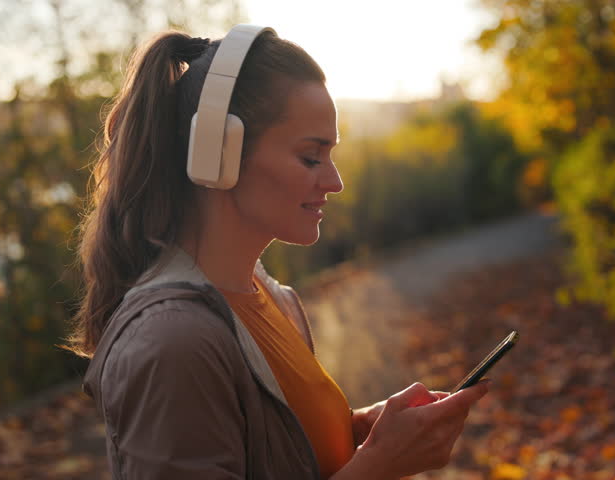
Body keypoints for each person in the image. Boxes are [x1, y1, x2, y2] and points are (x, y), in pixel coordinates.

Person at [66, 25, 491, 480]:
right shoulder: (172, 343)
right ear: (218, 154)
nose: (335, 182)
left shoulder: (274, 299)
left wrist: (359, 435)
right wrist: (379, 469)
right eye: (311, 157)